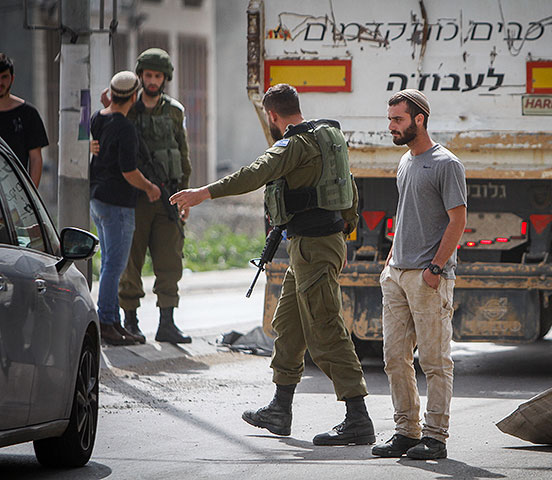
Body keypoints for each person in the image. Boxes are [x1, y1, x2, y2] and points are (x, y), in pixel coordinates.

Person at [170, 83, 376, 446]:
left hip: (314, 247)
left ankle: (358, 418)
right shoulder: (328, 135)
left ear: (272, 115)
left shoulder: (294, 144)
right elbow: (350, 187)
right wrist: (345, 228)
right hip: (313, 245)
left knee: (326, 328)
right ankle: (280, 409)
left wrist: (203, 193)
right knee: (289, 326)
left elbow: (254, 173)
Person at [371, 89, 467, 460]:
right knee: (394, 358)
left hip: (429, 277)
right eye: (390, 119)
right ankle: (406, 432)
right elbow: (407, 214)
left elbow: (458, 221)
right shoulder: (405, 161)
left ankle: (436, 437)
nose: (391, 126)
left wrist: (435, 268)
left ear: (419, 119)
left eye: (397, 119)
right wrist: (391, 262)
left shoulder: (446, 163)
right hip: (396, 274)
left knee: (434, 361)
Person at [97, 48, 192, 344]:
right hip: (134, 198)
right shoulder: (127, 109)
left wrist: (185, 196)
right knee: (130, 263)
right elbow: (101, 127)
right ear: (140, 77)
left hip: (168, 197)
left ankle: (167, 322)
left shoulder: (175, 111)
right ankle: (131, 321)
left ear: (165, 78)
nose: (152, 80)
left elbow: (183, 154)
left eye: (158, 75)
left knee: (170, 261)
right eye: (148, 75)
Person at [90, 71, 161, 346]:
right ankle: (107, 323)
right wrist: (150, 188)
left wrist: (108, 101)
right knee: (113, 266)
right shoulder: (125, 128)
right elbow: (129, 171)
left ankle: (113, 321)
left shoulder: (99, 118)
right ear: (134, 96)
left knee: (109, 263)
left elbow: (103, 124)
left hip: (98, 199)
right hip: (117, 203)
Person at [0, 53, 48, 187]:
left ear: (12, 78)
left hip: (16, 194)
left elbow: (35, 158)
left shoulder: (28, 114)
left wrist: (31, 196)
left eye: (4, 77)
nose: (0, 83)